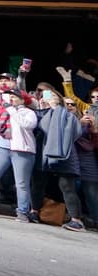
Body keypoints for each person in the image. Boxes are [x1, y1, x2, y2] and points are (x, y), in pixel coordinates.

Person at [0, 87, 38, 221]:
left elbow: (28, 124)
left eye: (14, 96)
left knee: (21, 183)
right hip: (2, 147)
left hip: (21, 150)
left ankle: (23, 212)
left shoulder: (28, 112)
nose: (10, 99)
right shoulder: (0, 109)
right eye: (9, 96)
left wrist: (11, 110)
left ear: (22, 99)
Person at [34, 89, 85, 231]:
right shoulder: (44, 113)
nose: (51, 98)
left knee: (67, 186)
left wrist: (56, 109)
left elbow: (74, 133)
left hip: (66, 156)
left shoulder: (69, 116)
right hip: (45, 155)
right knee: (38, 183)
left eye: (54, 95)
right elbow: (42, 127)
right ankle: (34, 211)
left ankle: (77, 220)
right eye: (48, 96)